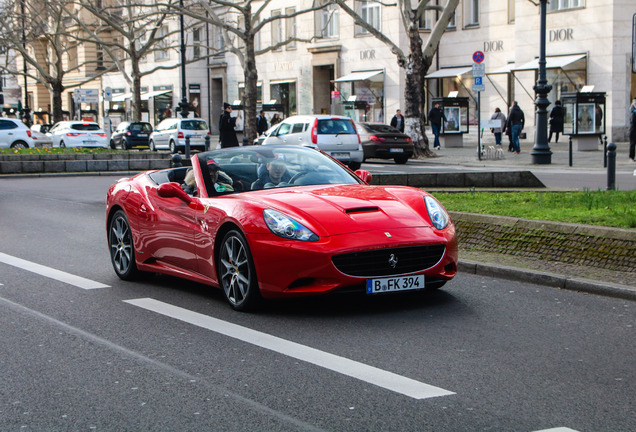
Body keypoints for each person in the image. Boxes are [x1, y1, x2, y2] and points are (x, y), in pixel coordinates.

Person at [629, 97, 636, 162]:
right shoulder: (633, 107)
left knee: (632, 143)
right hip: (633, 128)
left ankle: (631, 156)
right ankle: (631, 156)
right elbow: (632, 119)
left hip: (633, 128)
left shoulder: (632, 106)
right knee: (633, 143)